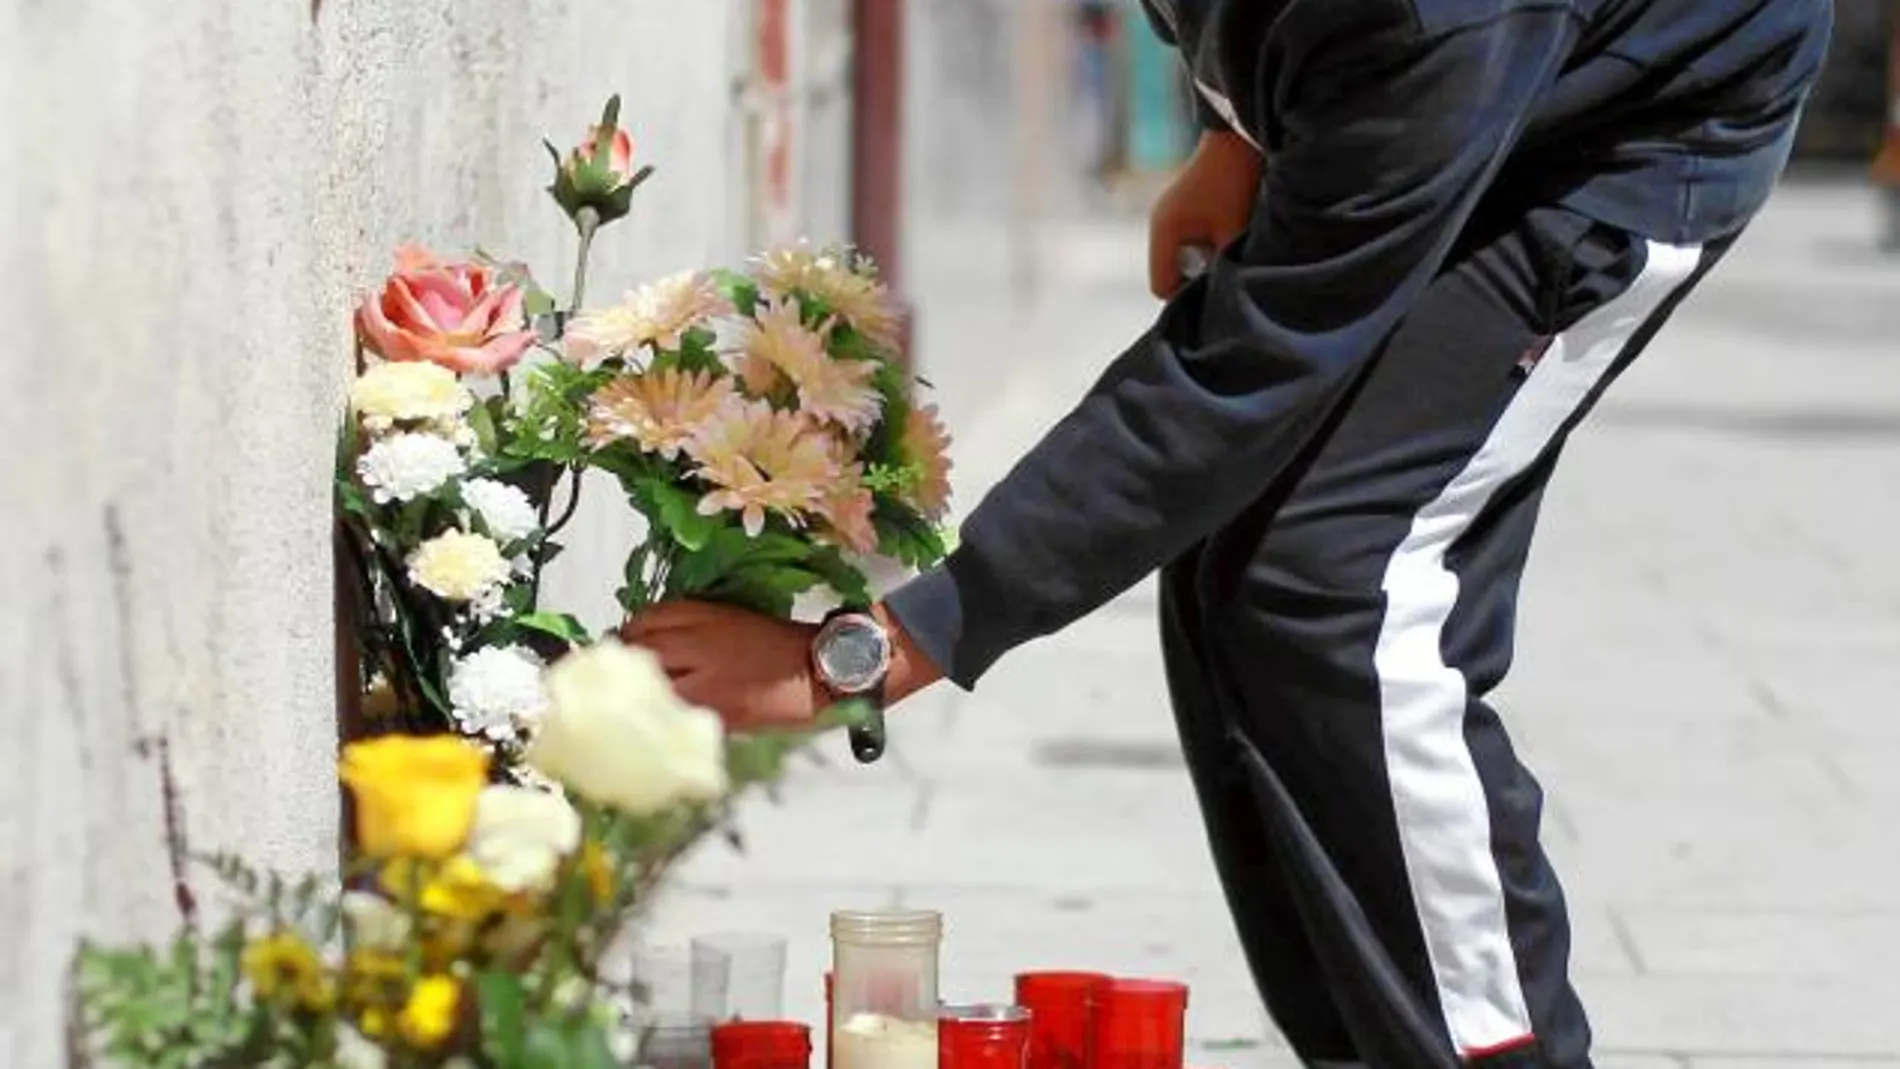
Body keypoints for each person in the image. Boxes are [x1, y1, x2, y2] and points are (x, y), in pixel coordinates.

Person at [624, 0, 1833, 1065]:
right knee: (1238, 568)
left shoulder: (1425, 25)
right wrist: (1241, 128)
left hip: (1639, 128)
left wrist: (874, 651)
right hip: (1468, 73)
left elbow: (1240, 373)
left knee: (1346, 591)